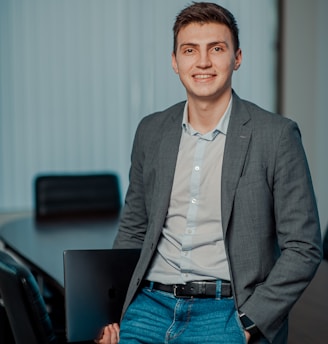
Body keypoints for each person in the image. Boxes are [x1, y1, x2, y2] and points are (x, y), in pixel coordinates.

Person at [96, 2, 322, 343]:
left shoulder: (276, 135)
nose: (202, 62)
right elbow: (134, 228)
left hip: (227, 312)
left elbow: (304, 247)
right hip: (148, 308)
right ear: (175, 61)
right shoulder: (151, 131)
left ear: (237, 57)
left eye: (216, 49)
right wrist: (110, 313)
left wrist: (248, 323)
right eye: (190, 50)